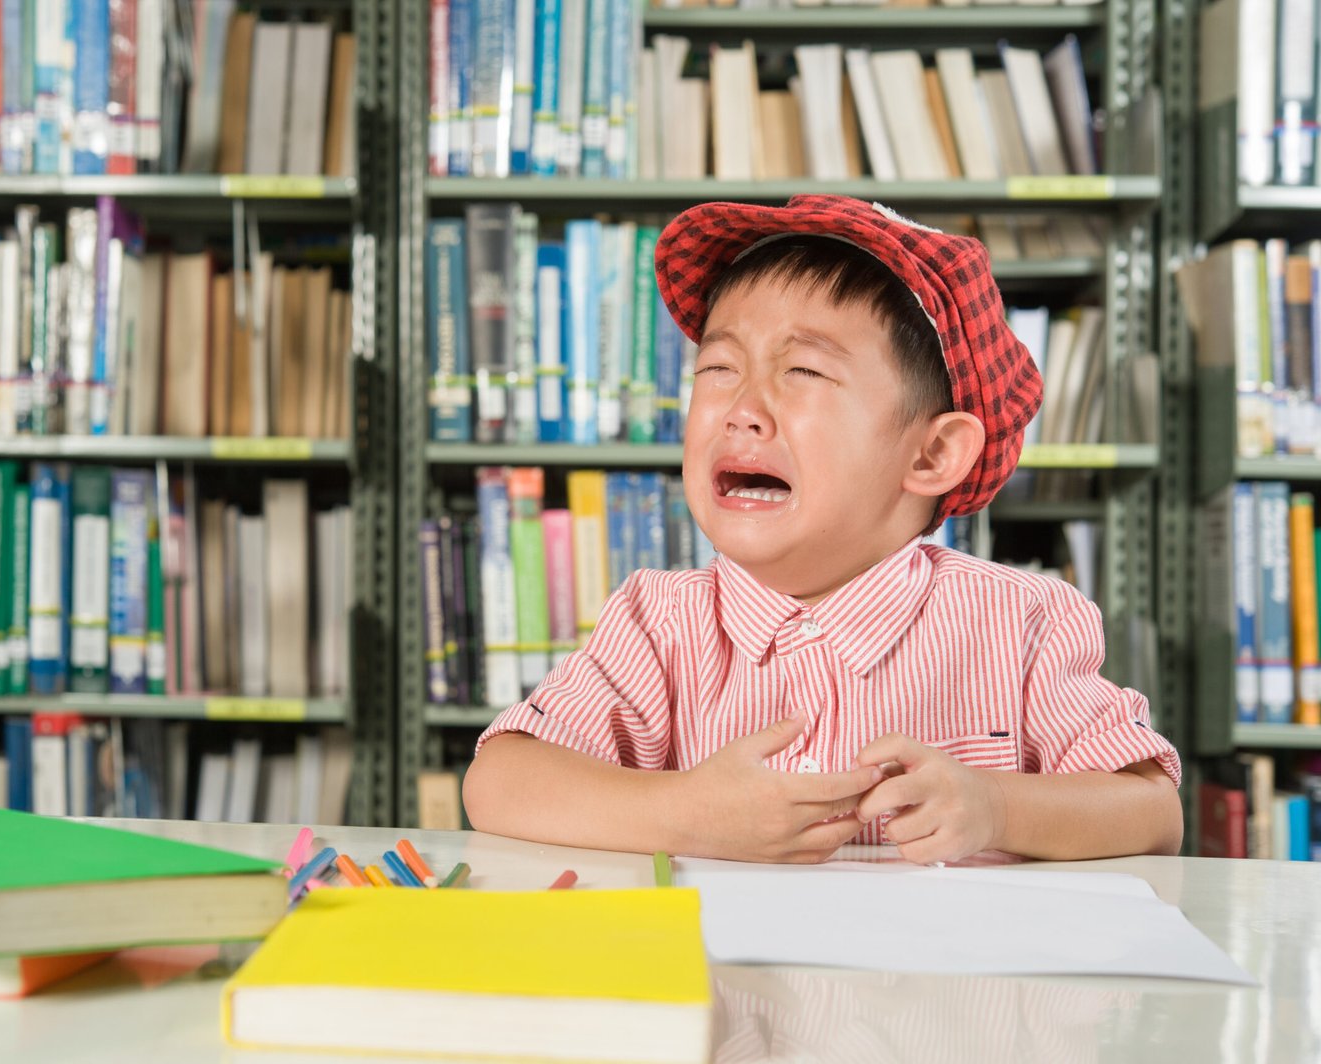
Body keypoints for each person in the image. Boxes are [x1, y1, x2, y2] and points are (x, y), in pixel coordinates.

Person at [462, 195, 1182, 865]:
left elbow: (1151, 810)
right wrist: (684, 811)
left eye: (802, 370)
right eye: (717, 367)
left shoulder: (1022, 623)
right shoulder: (659, 623)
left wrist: (996, 806)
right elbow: (497, 783)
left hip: (941, 998)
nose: (742, 408)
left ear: (931, 454)